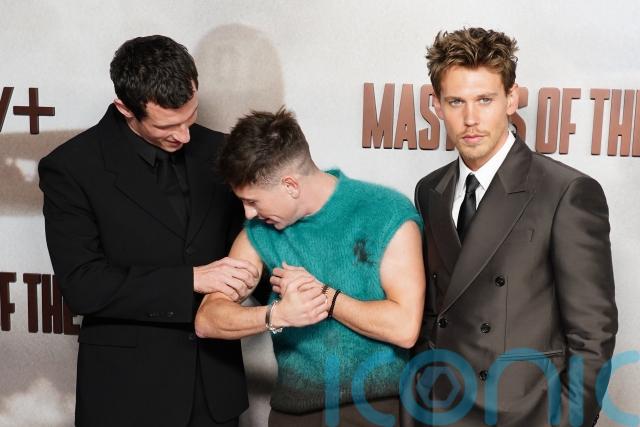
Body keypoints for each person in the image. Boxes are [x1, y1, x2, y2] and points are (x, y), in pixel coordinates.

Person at [38, 35, 258, 427]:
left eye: (191, 117)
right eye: (167, 126)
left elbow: (251, 240)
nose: (185, 136)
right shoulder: (72, 168)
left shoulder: (221, 150)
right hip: (126, 397)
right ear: (125, 108)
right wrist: (192, 279)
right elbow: (83, 285)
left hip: (214, 391)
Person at [412, 27, 617, 426]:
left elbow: (593, 335)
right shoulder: (431, 190)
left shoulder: (566, 192)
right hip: (443, 409)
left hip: (526, 414)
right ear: (436, 105)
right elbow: (435, 312)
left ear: (511, 99)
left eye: (484, 100)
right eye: (456, 101)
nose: (470, 119)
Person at [195, 108, 426, 426]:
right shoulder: (260, 232)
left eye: (253, 201)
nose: (248, 214)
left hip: (374, 411)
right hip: (292, 414)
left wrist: (326, 297)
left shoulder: (385, 212)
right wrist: (278, 315)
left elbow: (404, 328)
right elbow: (207, 319)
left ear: (290, 185)